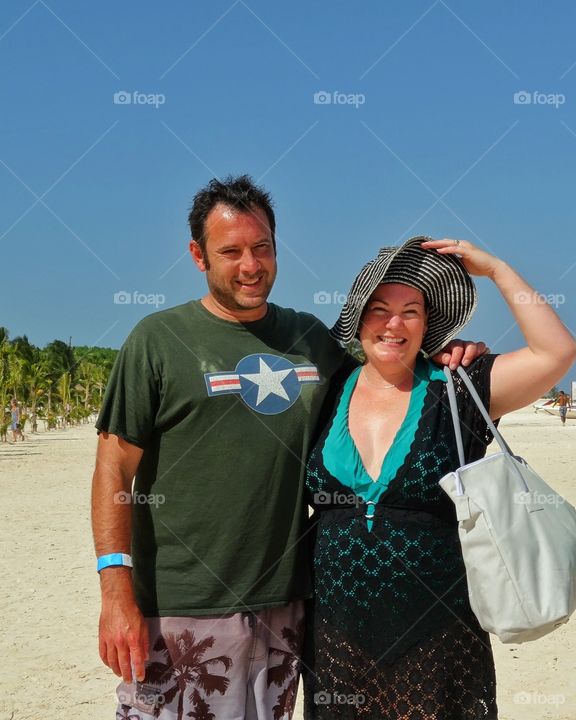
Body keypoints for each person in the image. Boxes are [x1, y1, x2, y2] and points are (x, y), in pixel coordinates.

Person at [91, 177, 485, 720]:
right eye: (230, 251)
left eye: (262, 248)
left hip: (287, 605)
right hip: (182, 606)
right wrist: (116, 593)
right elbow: (114, 469)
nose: (250, 265)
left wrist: (449, 351)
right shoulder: (158, 340)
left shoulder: (312, 340)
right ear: (197, 255)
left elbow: (386, 366)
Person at [302, 236, 576, 719]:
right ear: (358, 316)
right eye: (380, 309)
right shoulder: (325, 389)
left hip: (438, 635)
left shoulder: (460, 387)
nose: (394, 324)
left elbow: (557, 352)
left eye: (411, 311)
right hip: (335, 635)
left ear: (428, 324)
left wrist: (496, 269)